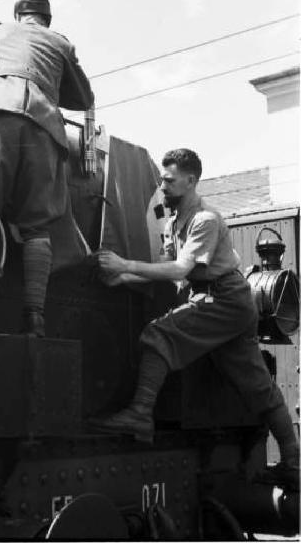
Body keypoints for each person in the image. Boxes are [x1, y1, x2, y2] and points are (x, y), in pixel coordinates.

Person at [92, 148, 299, 490]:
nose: (164, 185)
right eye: (162, 178)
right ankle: (293, 462)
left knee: (157, 335)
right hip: (222, 299)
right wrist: (125, 278)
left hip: (225, 298)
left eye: (170, 180)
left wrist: (125, 265)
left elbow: (180, 269)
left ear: (191, 180)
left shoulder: (206, 219)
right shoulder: (175, 221)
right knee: (257, 386)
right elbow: (168, 273)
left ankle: (140, 414)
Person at [0, 0, 94, 336]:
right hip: (45, 128)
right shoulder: (60, 43)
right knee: (37, 226)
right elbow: (84, 98)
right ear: (47, 20)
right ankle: (35, 316)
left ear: (19, 15)